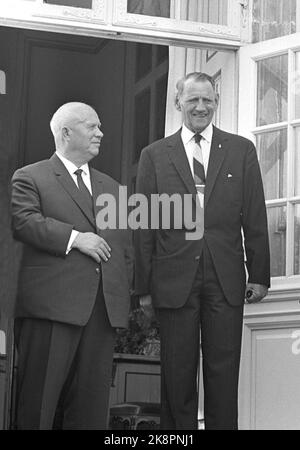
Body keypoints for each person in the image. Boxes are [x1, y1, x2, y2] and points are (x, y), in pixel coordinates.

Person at [134, 72, 270, 430]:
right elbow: (144, 224)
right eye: (193, 99)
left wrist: (259, 274)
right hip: (172, 278)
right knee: (177, 376)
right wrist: (144, 285)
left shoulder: (241, 150)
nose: (201, 107)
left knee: (224, 374)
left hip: (225, 277)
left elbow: (254, 213)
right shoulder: (154, 156)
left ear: (216, 102)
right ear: (178, 102)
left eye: (208, 99)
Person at [11, 102, 133, 430]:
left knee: (90, 413)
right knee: (38, 408)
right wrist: (77, 238)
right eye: (91, 127)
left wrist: (126, 302)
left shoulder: (113, 188)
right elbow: (24, 222)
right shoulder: (30, 176)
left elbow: (124, 249)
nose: (100, 133)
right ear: (66, 132)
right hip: (51, 308)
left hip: (101, 311)